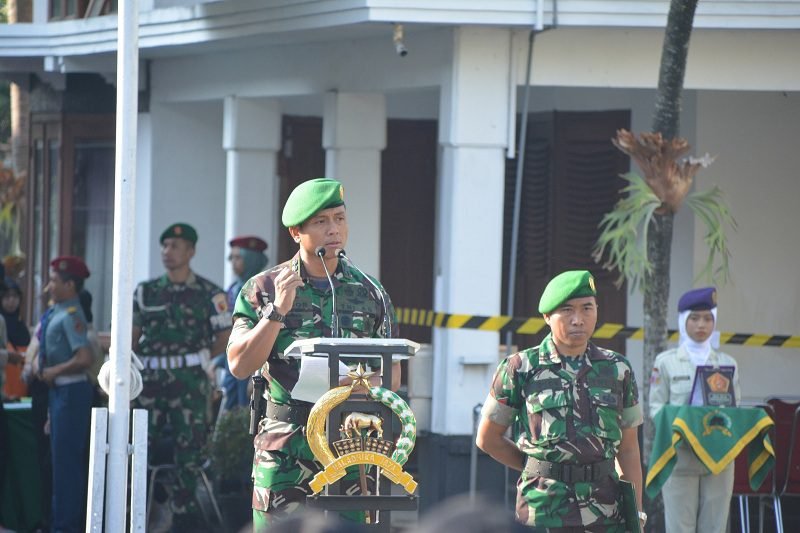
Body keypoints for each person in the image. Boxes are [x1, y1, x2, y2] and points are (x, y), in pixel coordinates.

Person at [226, 177, 401, 530]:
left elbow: (392, 374)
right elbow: (239, 365)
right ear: (296, 232)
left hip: (349, 444)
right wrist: (277, 311)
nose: (333, 230)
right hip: (285, 444)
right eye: (321, 222)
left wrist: (368, 389)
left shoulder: (370, 292)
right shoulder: (263, 288)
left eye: (339, 218)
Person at [476, 270, 645, 532]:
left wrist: (637, 515)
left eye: (586, 308)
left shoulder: (618, 369)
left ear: (597, 310)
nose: (578, 319)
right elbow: (488, 439)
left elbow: (629, 450)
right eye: (567, 310)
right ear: (547, 317)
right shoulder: (520, 368)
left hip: (606, 510)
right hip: (544, 508)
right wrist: (535, 466)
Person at [132, 222, 232, 532]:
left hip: (190, 380)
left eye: (175, 246)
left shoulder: (209, 293)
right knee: (139, 445)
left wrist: (201, 355)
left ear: (190, 251)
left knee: (191, 447)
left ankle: (184, 515)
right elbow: (133, 336)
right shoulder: (146, 291)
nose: (167, 252)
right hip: (149, 381)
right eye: (164, 246)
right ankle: (139, 508)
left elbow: (225, 334)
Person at [648, 286, 741, 533]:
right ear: (682, 321)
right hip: (680, 456)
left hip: (718, 459)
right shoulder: (665, 363)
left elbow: (735, 409)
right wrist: (684, 430)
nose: (702, 325)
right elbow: (656, 409)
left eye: (708, 318)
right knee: (680, 527)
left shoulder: (727, 364)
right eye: (695, 318)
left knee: (715, 527)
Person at [39, 256, 94, 533]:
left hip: (71, 392)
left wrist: (54, 371)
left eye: (54, 281)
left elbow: (84, 357)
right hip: (59, 394)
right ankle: (59, 522)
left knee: (67, 465)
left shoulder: (72, 315)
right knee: (59, 464)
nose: (49, 286)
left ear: (70, 285)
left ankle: (66, 526)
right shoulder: (57, 311)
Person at [213, 235, 270, 415]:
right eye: (232, 258)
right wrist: (216, 362)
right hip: (233, 364)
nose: (233, 263)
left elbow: (265, 335)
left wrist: (257, 373)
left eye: (238, 258)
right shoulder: (231, 290)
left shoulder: (265, 291)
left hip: (254, 364)